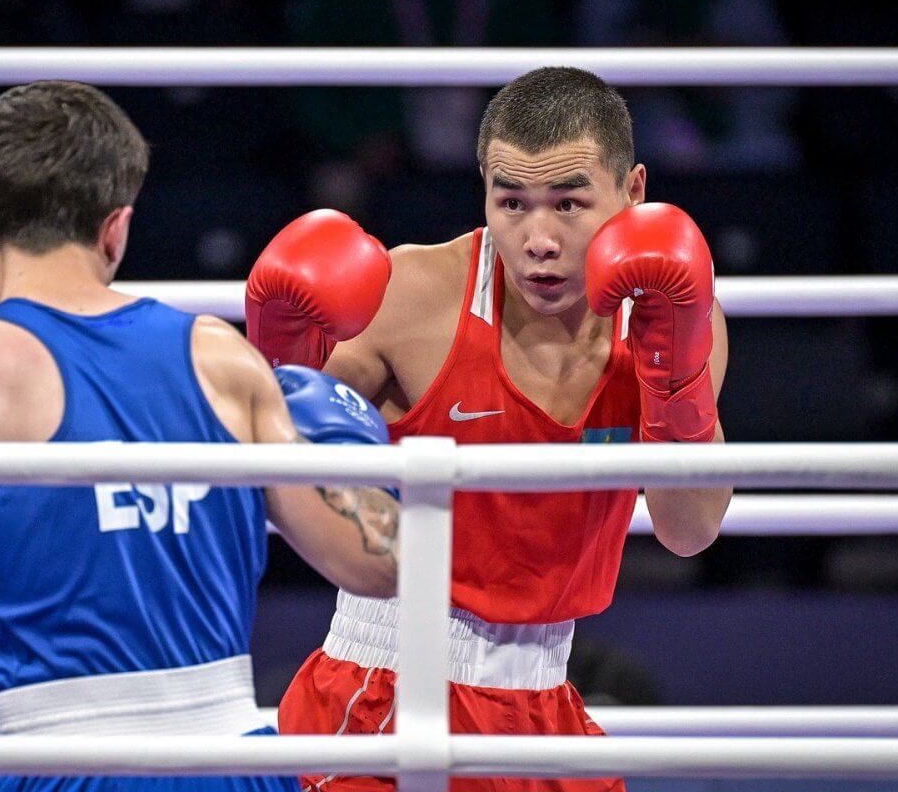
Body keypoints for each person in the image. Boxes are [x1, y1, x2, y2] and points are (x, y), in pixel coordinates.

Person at [0, 80, 401, 792]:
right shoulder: (220, 360)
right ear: (116, 228)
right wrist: (344, 448)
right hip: (234, 762)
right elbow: (382, 563)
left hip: (60, 767)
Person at [246, 67, 733, 792]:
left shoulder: (674, 319)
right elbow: (255, 455)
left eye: (569, 203)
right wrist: (275, 364)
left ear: (632, 192)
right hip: (382, 692)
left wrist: (673, 378)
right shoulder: (409, 296)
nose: (537, 238)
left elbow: (688, 530)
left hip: (543, 704)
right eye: (512, 202)